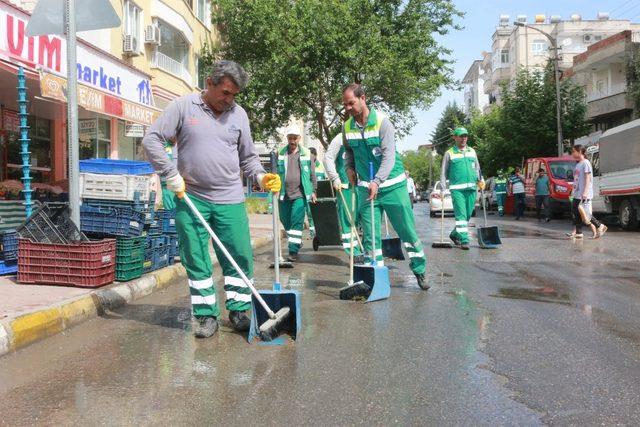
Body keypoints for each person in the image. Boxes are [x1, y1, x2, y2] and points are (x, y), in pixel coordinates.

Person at [142, 60, 281, 338]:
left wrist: (262, 178)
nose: (229, 100)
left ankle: (240, 310)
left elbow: (249, 159)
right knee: (195, 256)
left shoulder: (239, 115)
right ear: (209, 83)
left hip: (230, 198)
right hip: (191, 196)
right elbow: (152, 140)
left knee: (239, 254)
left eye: (234, 95)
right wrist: (170, 173)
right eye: (225, 93)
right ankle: (206, 316)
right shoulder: (183, 107)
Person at [338, 83, 427, 290]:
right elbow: (348, 152)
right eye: (345, 105)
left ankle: (420, 269)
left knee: (406, 230)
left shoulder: (382, 123)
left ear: (363, 98)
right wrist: (349, 168)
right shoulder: (347, 127)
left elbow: (388, 157)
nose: (348, 108)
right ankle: (374, 278)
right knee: (370, 236)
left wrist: (377, 181)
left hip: (391, 186)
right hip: (365, 189)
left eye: (351, 103)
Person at [441, 127, 485, 250]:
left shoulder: (472, 151)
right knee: (461, 215)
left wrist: (480, 180)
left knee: (467, 215)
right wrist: (443, 187)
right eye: (461, 136)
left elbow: (477, 168)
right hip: (457, 189)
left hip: (471, 187)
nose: (463, 138)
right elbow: (444, 171)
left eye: (465, 135)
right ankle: (464, 239)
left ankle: (455, 234)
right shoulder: (449, 153)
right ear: (455, 137)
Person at [277, 128, 317, 262]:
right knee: (285, 220)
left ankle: (293, 251)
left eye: (295, 138)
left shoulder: (307, 154)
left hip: (300, 195)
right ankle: (296, 241)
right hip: (283, 194)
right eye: (290, 138)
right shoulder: (281, 154)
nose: (292, 141)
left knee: (296, 222)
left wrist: (314, 191)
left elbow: (312, 175)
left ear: (299, 138)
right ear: (287, 138)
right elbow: (276, 173)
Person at [323, 133, 364, 258]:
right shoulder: (340, 138)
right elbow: (328, 158)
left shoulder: (367, 133)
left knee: (367, 219)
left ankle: (368, 251)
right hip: (346, 187)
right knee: (349, 220)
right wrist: (335, 178)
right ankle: (354, 253)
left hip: (364, 185)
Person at [567, 145, 608, 239]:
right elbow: (576, 180)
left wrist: (585, 192)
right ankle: (579, 232)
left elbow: (588, 179)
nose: (572, 153)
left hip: (584, 193)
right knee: (575, 211)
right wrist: (572, 190)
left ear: (580, 151)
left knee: (586, 213)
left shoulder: (586, 163)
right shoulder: (578, 164)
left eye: (574, 151)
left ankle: (600, 226)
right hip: (576, 193)